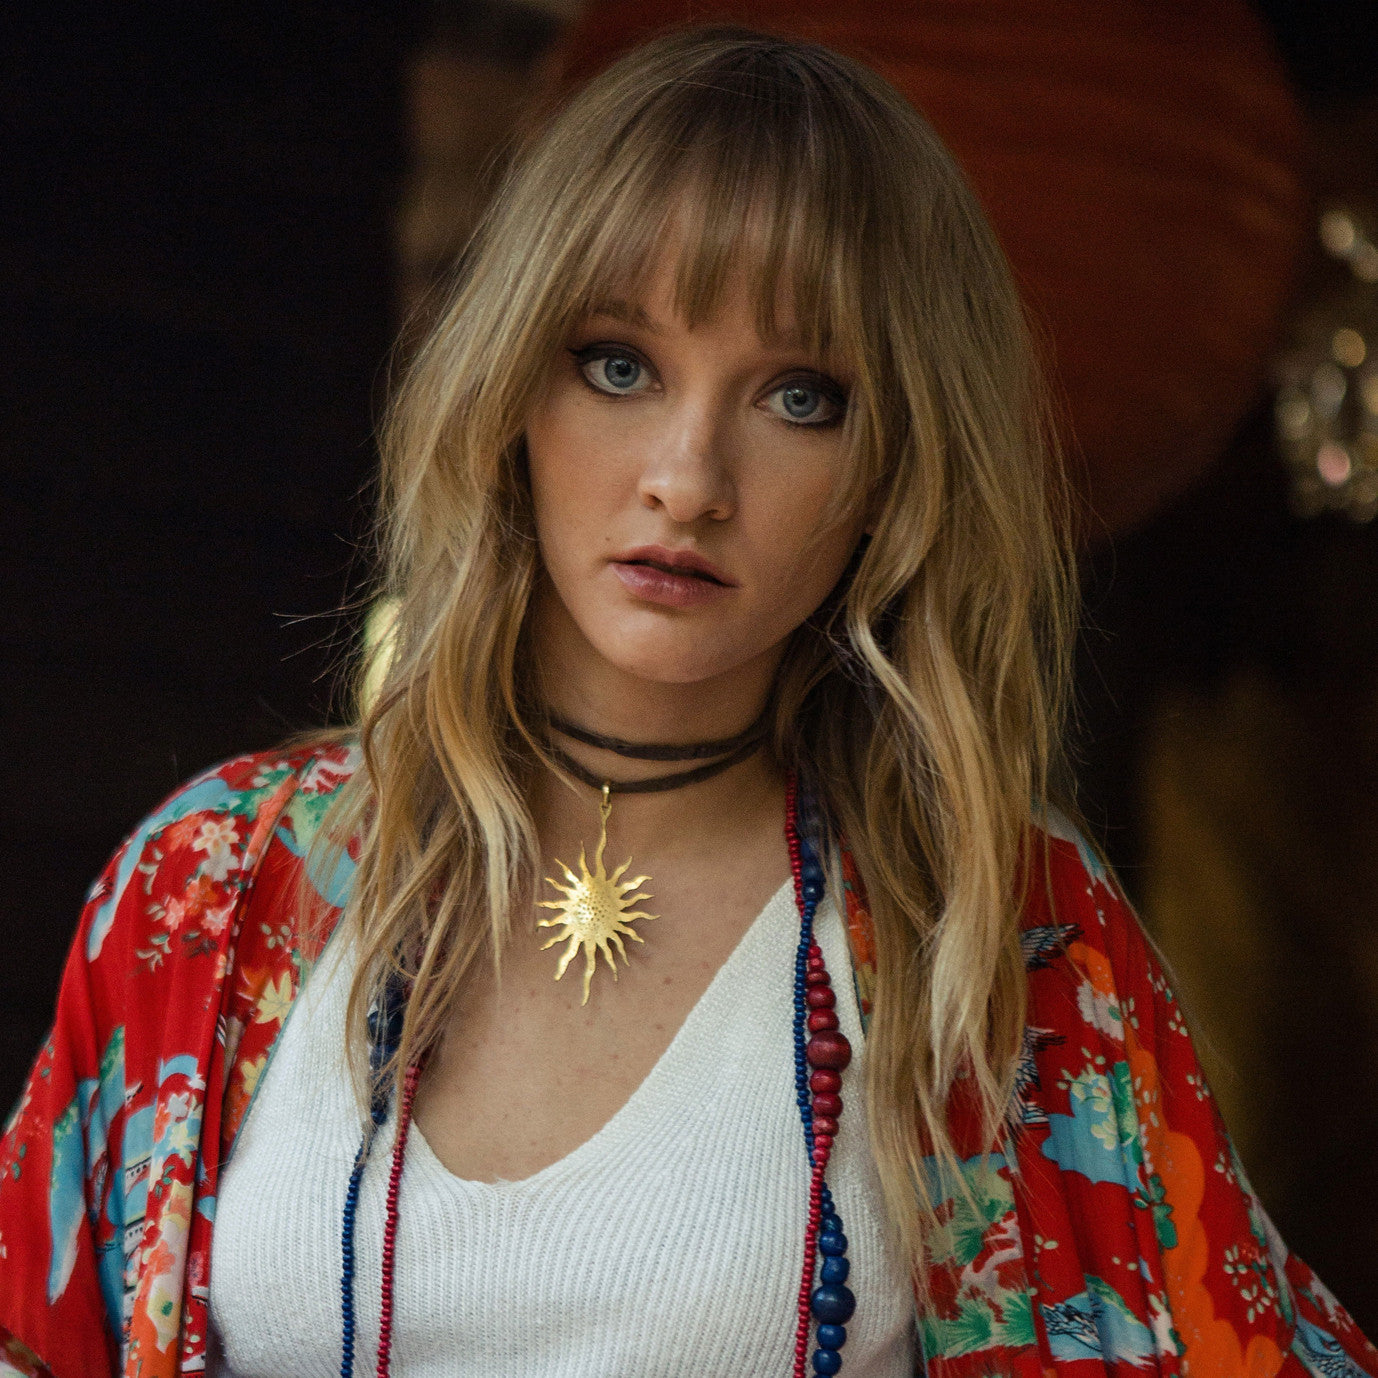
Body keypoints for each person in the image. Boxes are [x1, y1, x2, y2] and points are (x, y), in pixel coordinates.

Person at [1, 24, 1374, 1378]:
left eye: (800, 397)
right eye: (618, 364)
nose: (687, 476)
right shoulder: (214, 883)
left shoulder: (997, 936)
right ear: (508, 391)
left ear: (898, 473)